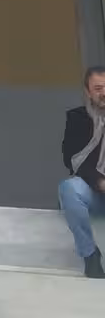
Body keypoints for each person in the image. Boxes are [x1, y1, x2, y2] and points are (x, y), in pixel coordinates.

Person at [60, 64, 105, 276]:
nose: (104, 92)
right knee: (69, 188)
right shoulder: (77, 118)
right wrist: (99, 181)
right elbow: (72, 159)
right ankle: (90, 255)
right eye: (98, 88)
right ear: (88, 92)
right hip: (94, 192)